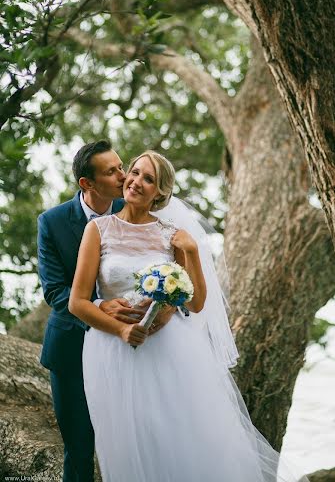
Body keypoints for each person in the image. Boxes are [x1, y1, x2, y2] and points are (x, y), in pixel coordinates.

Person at [69, 150, 309, 482]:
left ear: (160, 192)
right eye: (134, 172)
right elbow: (77, 303)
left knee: (177, 435)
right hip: (112, 351)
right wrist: (122, 331)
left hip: (169, 350)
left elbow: (195, 304)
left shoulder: (173, 235)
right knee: (128, 442)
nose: (136, 181)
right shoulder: (98, 230)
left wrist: (192, 251)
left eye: (148, 179)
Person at [37, 141, 175, 482]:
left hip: (132, 351)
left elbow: (169, 271)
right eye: (111, 171)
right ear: (88, 183)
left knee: (139, 443)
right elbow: (55, 290)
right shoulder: (52, 222)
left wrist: (161, 311)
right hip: (71, 347)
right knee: (80, 448)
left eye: (121, 166)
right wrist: (99, 305)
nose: (124, 175)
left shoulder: (135, 206)